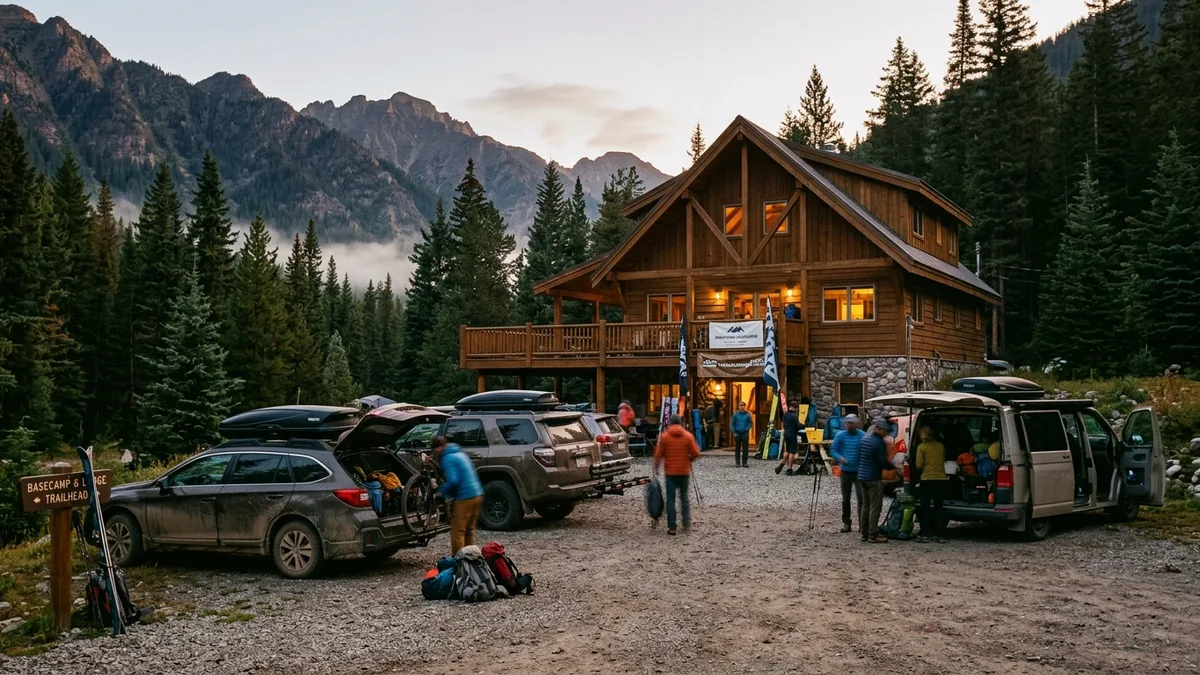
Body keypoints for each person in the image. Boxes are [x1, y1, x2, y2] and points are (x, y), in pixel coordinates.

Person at [432, 435, 484, 556]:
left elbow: (453, 480)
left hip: (465, 496)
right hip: (477, 493)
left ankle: (459, 561)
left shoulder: (447, 458)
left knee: (458, 531)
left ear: (439, 447)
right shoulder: (460, 453)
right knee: (469, 530)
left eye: (435, 449)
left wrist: (441, 490)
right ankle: (472, 558)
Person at [653, 414, 701, 535]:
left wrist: (656, 468)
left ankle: (672, 527)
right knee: (684, 498)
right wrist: (690, 460)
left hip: (670, 473)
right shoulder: (688, 436)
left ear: (670, 423)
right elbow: (696, 452)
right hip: (684, 471)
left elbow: (658, 454)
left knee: (670, 500)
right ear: (681, 423)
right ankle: (685, 522)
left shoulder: (665, 437)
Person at [829, 414, 865, 533]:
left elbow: (867, 449)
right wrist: (840, 458)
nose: (849, 425)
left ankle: (862, 524)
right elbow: (833, 449)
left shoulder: (862, 436)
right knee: (846, 499)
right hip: (845, 471)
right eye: (847, 423)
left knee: (862, 499)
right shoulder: (840, 436)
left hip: (859, 472)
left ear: (856, 424)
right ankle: (846, 522)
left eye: (851, 423)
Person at [857, 418, 892, 543]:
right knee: (875, 507)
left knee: (865, 506)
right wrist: (894, 468)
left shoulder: (865, 439)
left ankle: (864, 533)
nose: (887, 434)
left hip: (862, 476)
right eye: (886, 431)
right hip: (873, 477)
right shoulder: (878, 442)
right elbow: (882, 462)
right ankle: (873, 535)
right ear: (880, 429)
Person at [913, 425, 948, 544]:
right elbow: (943, 460)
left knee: (925, 507)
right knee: (939, 507)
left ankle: (924, 533)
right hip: (941, 479)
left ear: (923, 434)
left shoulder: (922, 447)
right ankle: (941, 535)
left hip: (927, 479)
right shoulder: (941, 446)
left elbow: (919, 465)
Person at [774, 403, 802, 476]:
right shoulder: (794, 416)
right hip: (792, 435)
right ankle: (789, 469)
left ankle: (781, 465)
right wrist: (803, 425)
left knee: (787, 451)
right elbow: (797, 426)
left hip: (786, 434)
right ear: (795, 408)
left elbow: (784, 423)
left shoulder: (785, 414)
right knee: (792, 452)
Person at [731, 401, 753, 468]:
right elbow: (732, 424)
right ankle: (737, 462)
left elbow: (750, 423)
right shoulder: (735, 415)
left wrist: (747, 428)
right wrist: (734, 432)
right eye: (740, 405)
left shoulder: (747, 414)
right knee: (737, 448)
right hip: (737, 433)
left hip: (745, 434)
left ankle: (744, 462)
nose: (742, 406)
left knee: (745, 449)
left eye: (743, 405)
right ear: (738, 406)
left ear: (745, 406)